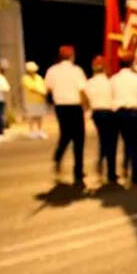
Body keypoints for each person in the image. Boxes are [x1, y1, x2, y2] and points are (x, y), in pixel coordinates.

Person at [44, 45, 88, 184]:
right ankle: (78, 171)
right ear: (71, 56)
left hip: (61, 107)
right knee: (79, 139)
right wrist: (86, 106)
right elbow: (82, 90)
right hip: (74, 106)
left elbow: (48, 89)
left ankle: (58, 156)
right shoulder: (77, 71)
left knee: (65, 134)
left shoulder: (52, 70)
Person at [111, 49, 137, 185]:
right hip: (135, 113)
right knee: (135, 144)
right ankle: (135, 175)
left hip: (119, 114)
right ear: (132, 63)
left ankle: (124, 168)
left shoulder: (114, 79)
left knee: (125, 142)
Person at [85, 57, 117, 182]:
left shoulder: (89, 82)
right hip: (109, 113)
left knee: (103, 139)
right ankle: (111, 172)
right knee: (111, 142)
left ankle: (101, 161)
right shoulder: (110, 82)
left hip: (96, 113)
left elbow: (85, 99)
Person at [21, 61, 48, 139]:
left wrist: (44, 91)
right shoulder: (25, 78)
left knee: (39, 116)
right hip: (31, 101)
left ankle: (40, 131)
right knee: (32, 116)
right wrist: (42, 92)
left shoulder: (38, 77)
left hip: (40, 100)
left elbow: (44, 85)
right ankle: (32, 132)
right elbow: (31, 88)